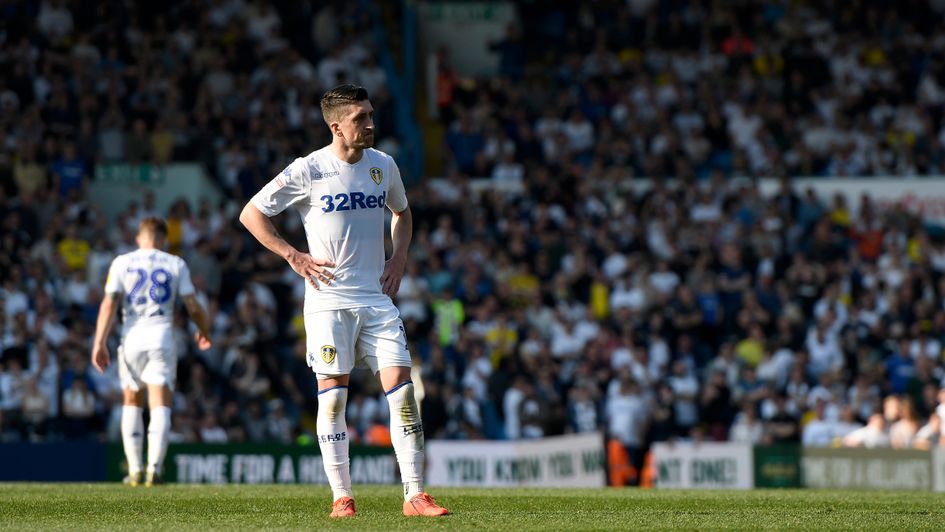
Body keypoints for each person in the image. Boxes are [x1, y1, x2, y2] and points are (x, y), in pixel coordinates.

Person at [238, 84, 448, 518]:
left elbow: (402, 213)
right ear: (336, 125)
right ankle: (342, 496)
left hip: (376, 299)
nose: (370, 124)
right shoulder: (308, 170)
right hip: (327, 302)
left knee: (404, 394)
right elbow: (251, 213)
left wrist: (400, 256)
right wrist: (292, 255)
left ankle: (414, 494)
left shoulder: (383, 166)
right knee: (333, 400)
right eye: (360, 118)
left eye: (371, 115)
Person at [91, 217, 212, 487]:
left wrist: (99, 342)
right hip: (161, 335)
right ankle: (154, 469)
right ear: (163, 239)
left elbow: (108, 305)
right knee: (160, 403)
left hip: (131, 336)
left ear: (139, 237)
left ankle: (134, 469)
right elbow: (192, 305)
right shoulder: (175, 263)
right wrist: (203, 330)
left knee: (131, 400)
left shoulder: (122, 262)